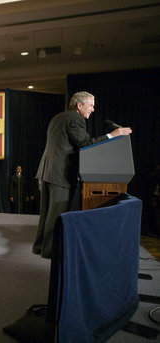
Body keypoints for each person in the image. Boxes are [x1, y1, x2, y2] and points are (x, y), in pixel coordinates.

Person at [33, 91, 132, 258]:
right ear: (79, 105)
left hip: (48, 171)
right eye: (91, 105)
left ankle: (40, 246)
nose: (93, 109)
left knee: (46, 213)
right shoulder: (75, 119)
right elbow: (85, 144)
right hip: (60, 175)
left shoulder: (59, 117)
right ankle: (49, 251)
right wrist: (112, 135)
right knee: (55, 214)